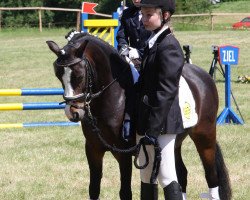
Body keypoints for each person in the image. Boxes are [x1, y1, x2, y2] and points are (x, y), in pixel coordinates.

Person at [136, 0, 185, 199]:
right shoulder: (153, 41)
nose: (143, 19)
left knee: (166, 175)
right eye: (143, 14)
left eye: (149, 15)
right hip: (147, 119)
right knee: (146, 175)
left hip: (162, 122)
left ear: (164, 15)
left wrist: (153, 130)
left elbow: (166, 92)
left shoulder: (169, 46)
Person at [116, 0, 151, 141]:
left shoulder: (153, 11)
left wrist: (140, 52)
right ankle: (126, 122)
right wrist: (124, 47)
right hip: (131, 57)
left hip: (151, 56)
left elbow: (156, 36)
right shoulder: (127, 13)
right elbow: (121, 35)